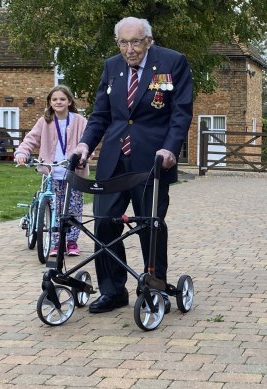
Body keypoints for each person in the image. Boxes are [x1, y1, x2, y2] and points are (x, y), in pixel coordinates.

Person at [74, 16, 193, 314]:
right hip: (114, 161)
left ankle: (155, 286)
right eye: (124, 42)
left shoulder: (173, 63)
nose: (130, 49)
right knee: (103, 224)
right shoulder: (112, 67)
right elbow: (101, 114)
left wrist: (170, 148)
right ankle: (113, 292)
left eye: (136, 42)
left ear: (148, 40)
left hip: (152, 161)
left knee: (149, 226)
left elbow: (180, 112)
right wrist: (85, 144)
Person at [15, 85, 89, 257]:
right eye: (54, 99)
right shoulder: (45, 121)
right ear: (49, 102)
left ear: (69, 101)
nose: (58, 102)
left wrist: (84, 158)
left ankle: (71, 242)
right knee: (55, 207)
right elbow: (30, 140)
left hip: (73, 171)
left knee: (74, 208)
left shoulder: (79, 120)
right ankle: (56, 242)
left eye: (62, 99)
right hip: (51, 171)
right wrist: (21, 153)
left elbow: (89, 141)